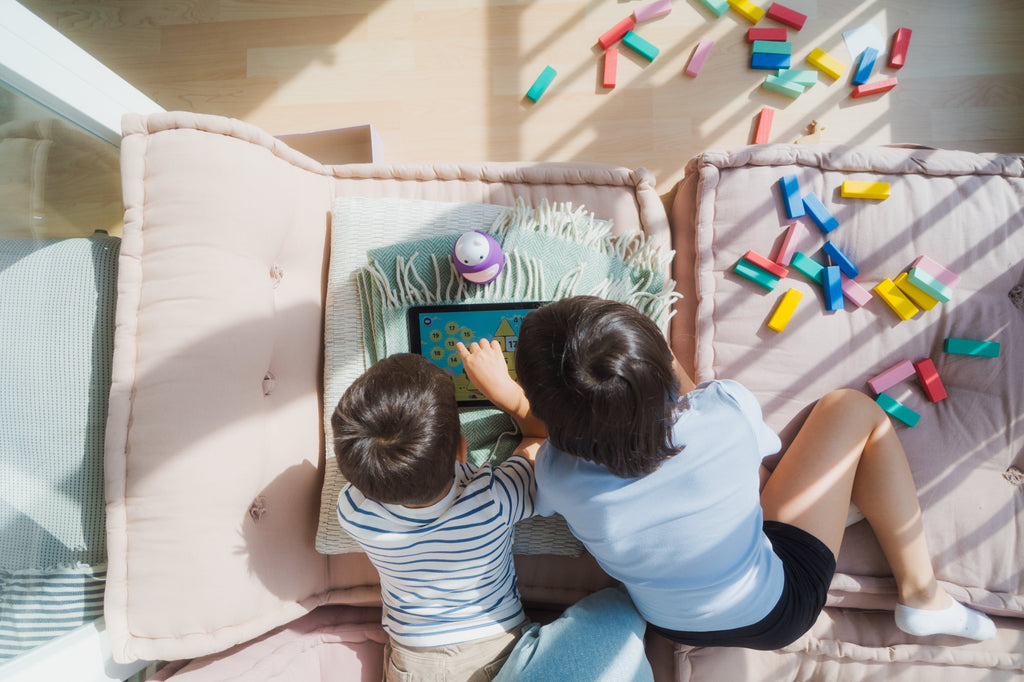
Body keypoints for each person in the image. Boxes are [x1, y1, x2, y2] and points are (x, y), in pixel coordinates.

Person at [469, 295, 995, 651]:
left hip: (673, 624)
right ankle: (922, 593)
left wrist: (513, 400)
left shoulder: (558, 476)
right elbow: (704, 409)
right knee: (851, 408)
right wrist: (643, 345)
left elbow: (545, 435)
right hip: (779, 608)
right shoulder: (724, 412)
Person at [331, 351, 654, 681]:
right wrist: (509, 395)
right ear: (462, 448)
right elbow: (540, 439)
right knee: (619, 611)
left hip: (413, 662)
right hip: (494, 650)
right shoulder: (494, 498)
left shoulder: (353, 511)